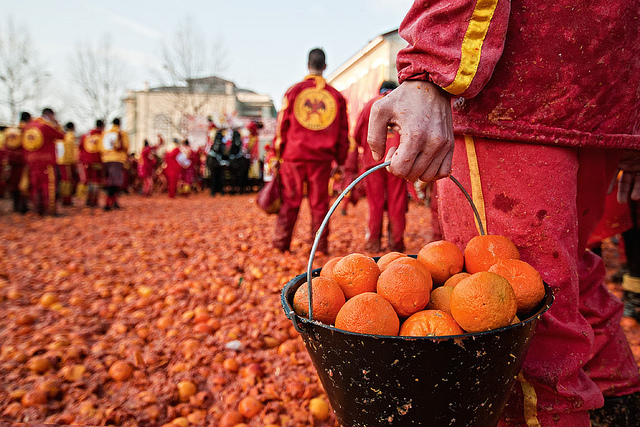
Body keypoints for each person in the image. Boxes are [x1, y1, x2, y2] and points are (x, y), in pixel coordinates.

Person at [366, 2, 640, 426]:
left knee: (521, 336)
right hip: (601, 90)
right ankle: (617, 402)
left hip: (518, 90)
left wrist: (432, 68)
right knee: (569, 278)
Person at [272, 48, 349, 254]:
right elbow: (343, 132)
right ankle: (319, 249)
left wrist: (276, 155)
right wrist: (340, 161)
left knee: (290, 201)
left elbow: (282, 127)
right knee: (319, 205)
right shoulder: (335, 97)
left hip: (293, 157)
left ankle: (281, 245)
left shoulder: (294, 92)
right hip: (321, 160)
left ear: (308, 65)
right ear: (325, 66)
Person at [353, 81, 408, 253]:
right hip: (398, 159)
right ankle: (396, 244)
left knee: (374, 203)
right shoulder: (403, 103)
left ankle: (373, 244)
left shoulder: (371, 104)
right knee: (397, 203)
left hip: (373, 162)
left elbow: (356, 134)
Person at [22, 108, 64, 216]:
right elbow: (61, 136)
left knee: (35, 186)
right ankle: (50, 210)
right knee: (48, 186)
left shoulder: (28, 127)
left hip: (32, 161)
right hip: (46, 161)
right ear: (50, 115)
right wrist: (56, 123)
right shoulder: (45, 126)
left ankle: (38, 209)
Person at [100, 118, 129, 210]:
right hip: (117, 159)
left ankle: (114, 202)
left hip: (106, 159)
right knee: (114, 182)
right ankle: (108, 204)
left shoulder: (105, 133)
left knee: (110, 181)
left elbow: (101, 147)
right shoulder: (122, 133)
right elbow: (126, 146)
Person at [4, 112, 31, 213]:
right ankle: (22, 206)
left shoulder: (10, 130)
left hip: (12, 160)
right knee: (24, 183)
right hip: (23, 161)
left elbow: (5, 145)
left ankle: (16, 205)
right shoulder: (27, 130)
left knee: (14, 182)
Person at [78, 120, 105, 207]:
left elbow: (80, 147)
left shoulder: (86, 135)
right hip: (98, 160)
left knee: (88, 180)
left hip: (86, 161)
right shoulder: (102, 135)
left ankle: (88, 199)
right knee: (96, 181)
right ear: (102, 126)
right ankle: (94, 200)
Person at [56, 122, 77, 206]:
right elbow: (72, 151)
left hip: (60, 161)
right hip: (67, 162)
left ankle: (65, 199)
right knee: (67, 180)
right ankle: (66, 200)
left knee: (64, 180)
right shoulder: (70, 137)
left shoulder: (60, 137)